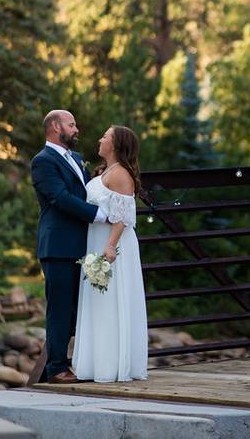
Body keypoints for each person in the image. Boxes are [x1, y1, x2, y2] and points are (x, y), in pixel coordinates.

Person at [30, 109, 110, 385]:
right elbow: (60, 198)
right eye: (71, 124)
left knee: (83, 308)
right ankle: (56, 369)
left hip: (84, 244)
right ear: (55, 126)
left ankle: (85, 362)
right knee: (60, 309)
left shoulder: (75, 158)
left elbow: (87, 191)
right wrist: (98, 215)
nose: (77, 129)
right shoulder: (42, 161)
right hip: (58, 246)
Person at [72, 125, 149, 383]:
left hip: (112, 247)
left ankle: (112, 365)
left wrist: (110, 246)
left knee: (110, 303)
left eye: (105, 136)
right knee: (98, 304)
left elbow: (125, 216)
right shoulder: (107, 171)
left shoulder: (121, 175)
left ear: (115, 145)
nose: (100, 139)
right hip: (96, 242)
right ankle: (96, 363)